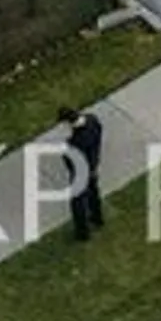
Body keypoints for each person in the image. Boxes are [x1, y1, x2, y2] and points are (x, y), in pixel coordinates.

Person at [61, 103, 105, 243]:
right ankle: (97, 218)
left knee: (77, 202)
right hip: (93, 164)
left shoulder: (75, 141)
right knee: (93, 191)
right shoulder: (93, 120)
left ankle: (82, 233)